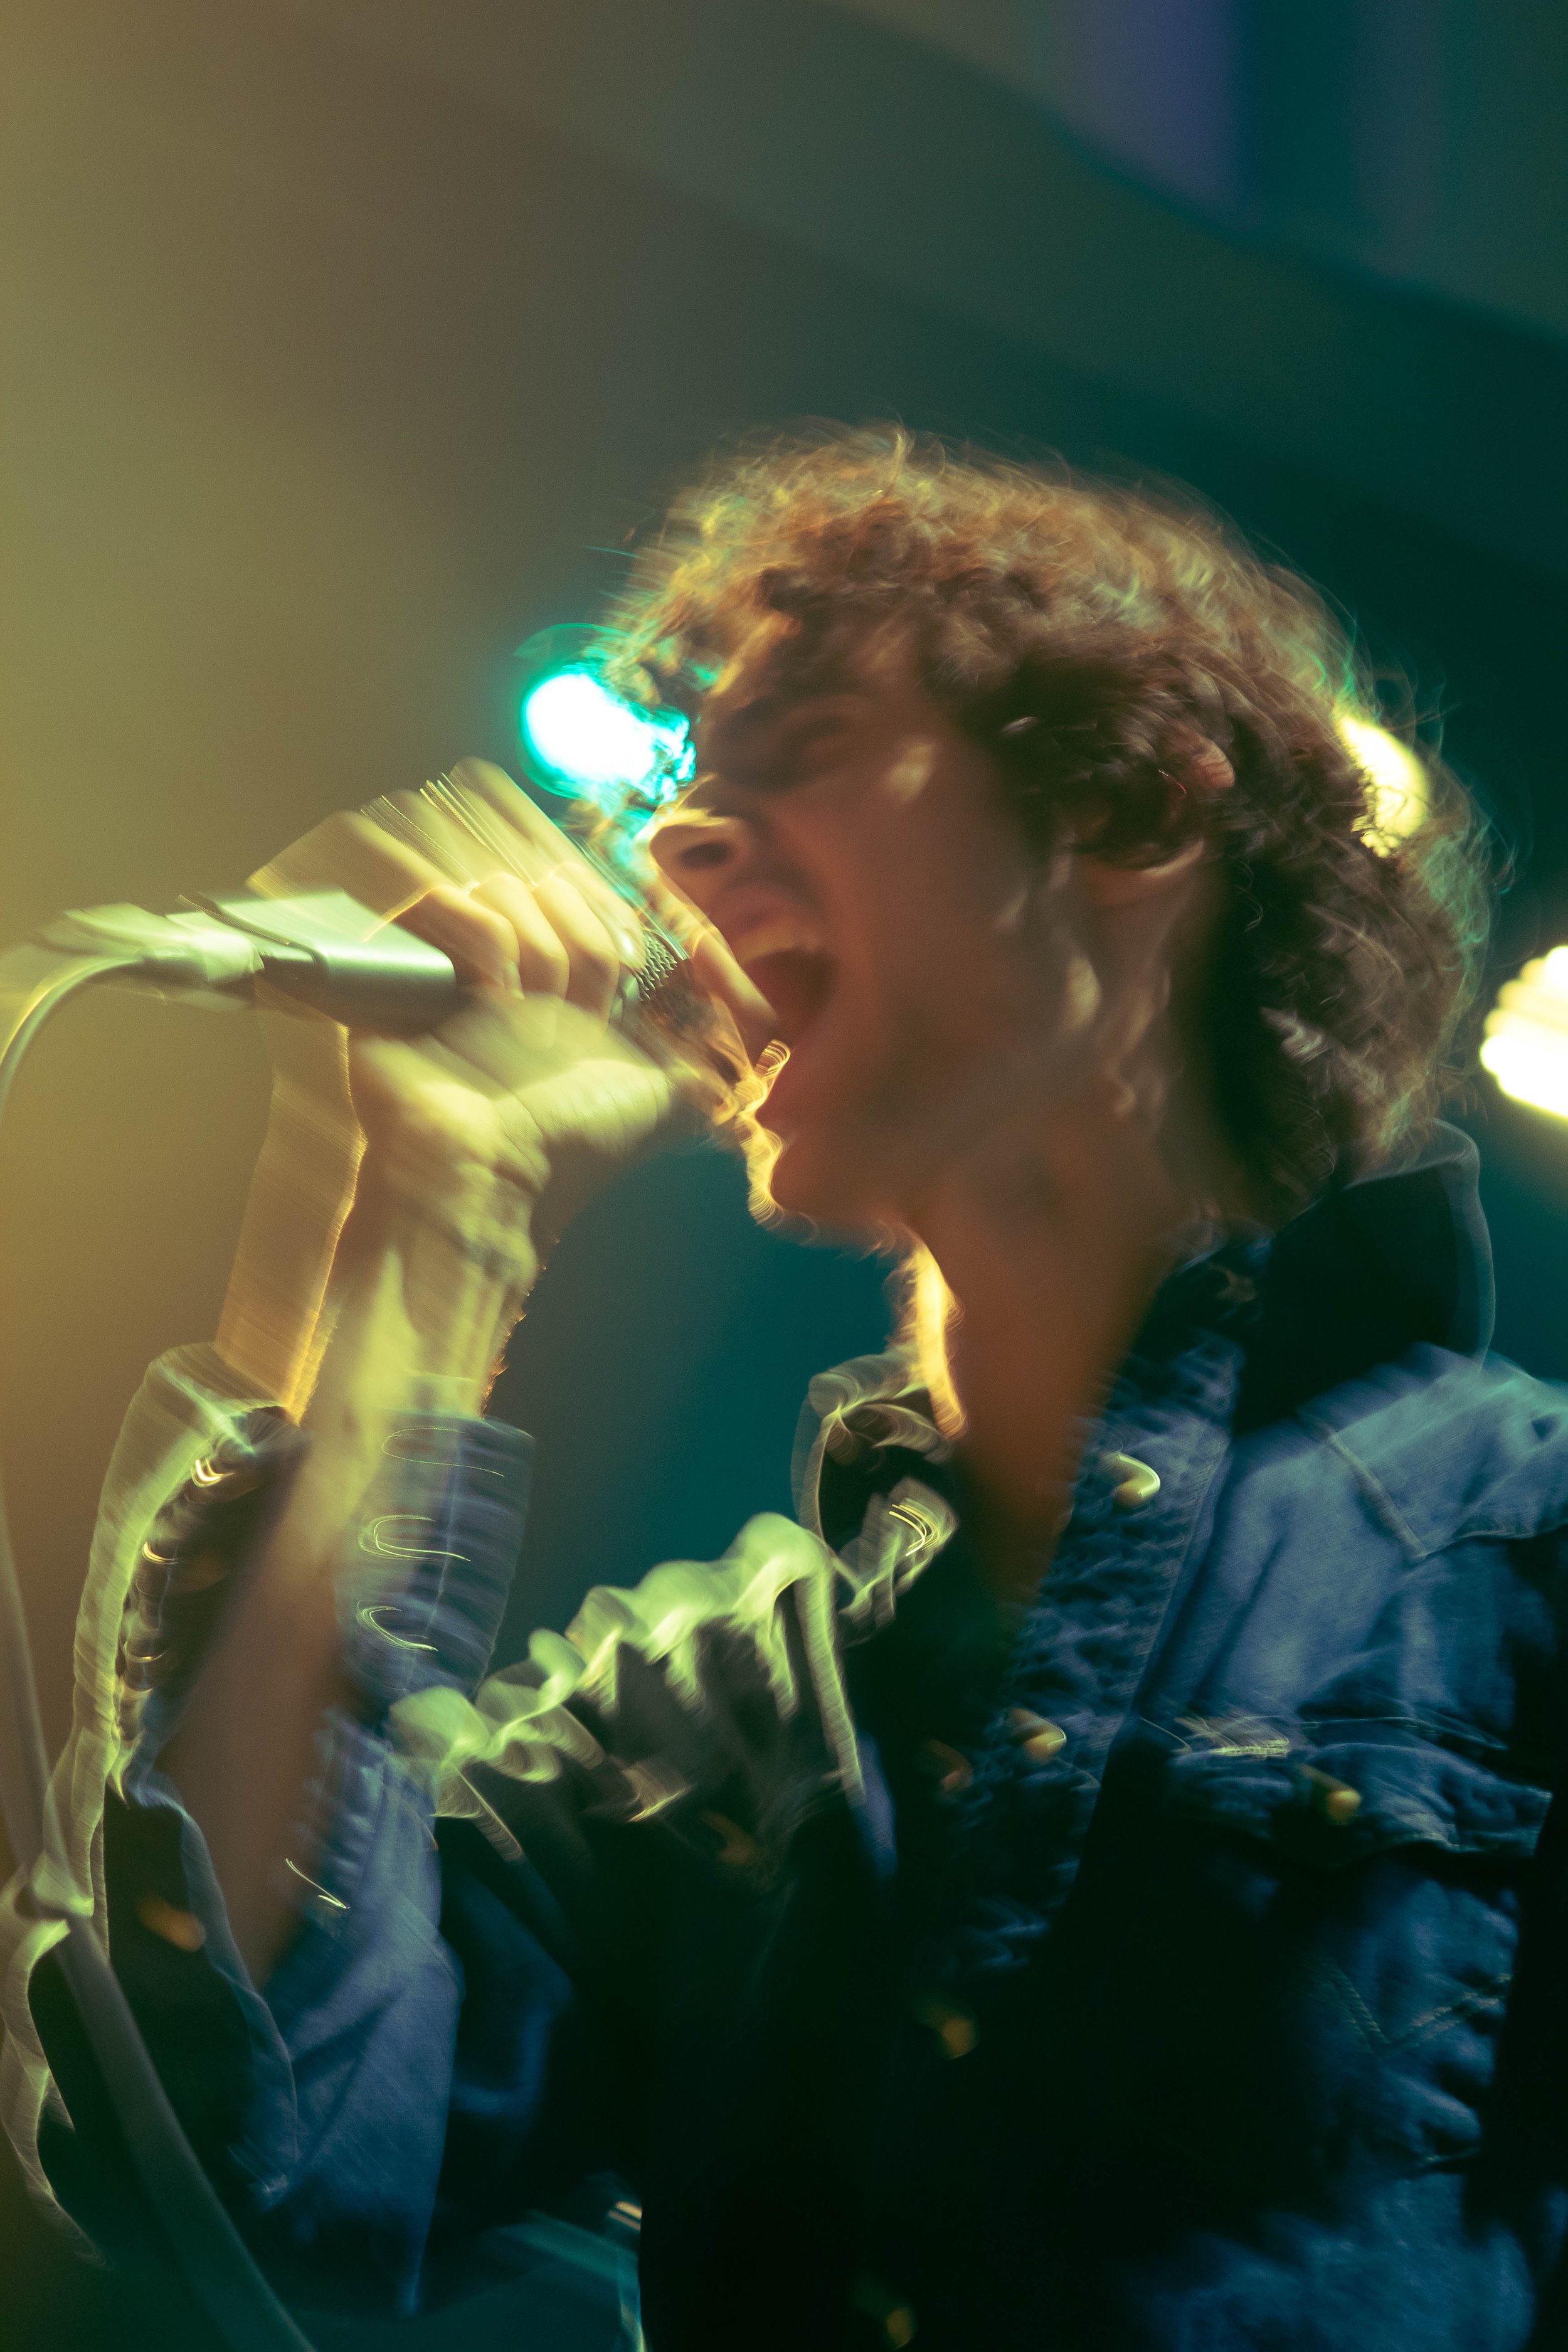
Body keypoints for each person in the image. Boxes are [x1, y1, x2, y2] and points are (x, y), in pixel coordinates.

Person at [6, 428, 1563, 2352]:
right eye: (680, 793)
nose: (671, 847)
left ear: (1135, 805)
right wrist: (421, 1207)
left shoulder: (1516, 1556)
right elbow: (229, 2141)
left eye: (803, 746)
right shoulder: (710, 1720)